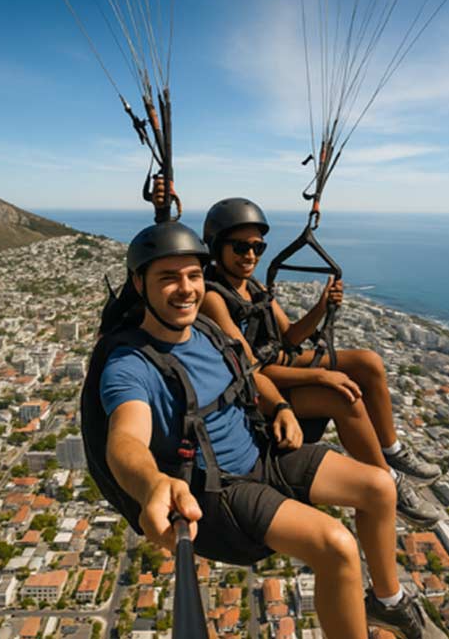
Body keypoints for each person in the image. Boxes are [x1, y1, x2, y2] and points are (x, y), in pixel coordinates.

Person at [99, 221, 431, 637]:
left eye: (193, 276)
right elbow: (125, 440)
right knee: (337, 545)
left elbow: (251, 373)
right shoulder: (131, 364)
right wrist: (150, 484)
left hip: (262, 449)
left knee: (380, 486)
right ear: (139, 282)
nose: (185, 288)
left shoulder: (206, 331)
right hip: (222, 487)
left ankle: (389, 603)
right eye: (168, 278)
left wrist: (280, 408)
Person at [199, 198, 443, 527]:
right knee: (343, 396)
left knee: (368, 363)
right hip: (256, 393)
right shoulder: (214, 298)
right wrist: (321, 377)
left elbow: (291, 337)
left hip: (279, 365)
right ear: (216, 246)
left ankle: (392, 450)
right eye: (240, 247)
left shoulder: (253, 287)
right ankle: (388, 482)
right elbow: (249, 368)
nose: (251, 256)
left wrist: (321, 306)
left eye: (258, 247)